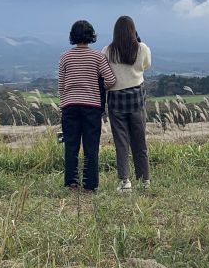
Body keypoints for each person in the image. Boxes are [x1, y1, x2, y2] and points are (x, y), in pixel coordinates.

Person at [59, 20, 116, 191]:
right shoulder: (98, 57)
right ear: (91, 36)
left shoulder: (65, 57)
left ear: (72, 36)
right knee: (91, 147)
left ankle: (71, 183)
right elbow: (111, 80)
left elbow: (61, 86)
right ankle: (90, 185)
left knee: (71, 146)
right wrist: (96, 86)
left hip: (70, 106)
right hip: (91, 106)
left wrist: (65, 103)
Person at [103, 16, 152, 191]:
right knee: (140, 141)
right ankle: (144, 180)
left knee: (121, 142)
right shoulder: (142, 48)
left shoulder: (107, 51)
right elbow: (146, 65)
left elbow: (104, 74)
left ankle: (125, 181)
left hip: (116, 100)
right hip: (136, 99)